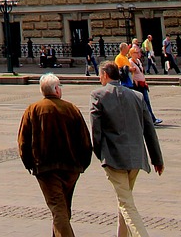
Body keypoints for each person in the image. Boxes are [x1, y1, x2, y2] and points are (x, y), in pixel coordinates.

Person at [91, 60, 164, 237]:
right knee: (124, 199)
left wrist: (100, 153)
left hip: (114, 159)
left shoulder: (98, 95)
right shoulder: (137, 96)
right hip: (136, 158)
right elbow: (149, 129)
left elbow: (96, 130)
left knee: (126, 203)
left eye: (100, 75)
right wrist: (157, 159)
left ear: (105, 75)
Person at [17, 72, 92, 237]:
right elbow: (85, 140)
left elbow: (23, 142)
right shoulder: (72, 109)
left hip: (46, 168)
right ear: (56, 90)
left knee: (59, 209)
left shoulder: (33, 110)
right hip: (71, 167)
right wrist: (82, 164)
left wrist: (30, 164)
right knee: (63, 207)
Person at [128, 43, 161, 125]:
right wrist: (134, 81)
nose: (139, 54)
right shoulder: (130, 62)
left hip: (143, 84)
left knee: (146, 102)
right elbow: (130, 74)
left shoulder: (138, 61)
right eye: (137, 52)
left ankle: (151, 119)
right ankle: (149, 119)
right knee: (142, 103)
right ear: (132, 54)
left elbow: (141, 72)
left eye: (139, 52)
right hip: (138, 85)